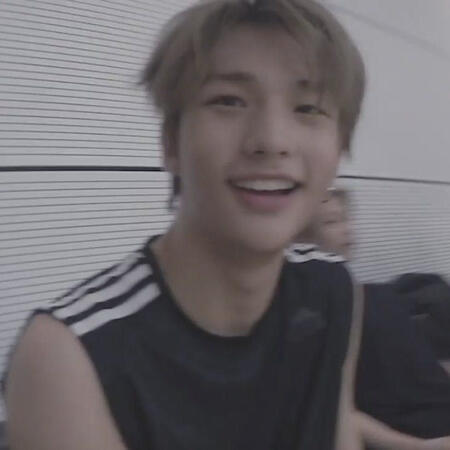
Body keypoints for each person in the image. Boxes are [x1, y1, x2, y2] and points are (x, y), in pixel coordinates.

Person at [3, 1, 368, 449]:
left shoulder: (332, 289)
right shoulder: (70, 355)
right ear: (170, 143)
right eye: (228, 101)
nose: (272, 141)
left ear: (340, 147)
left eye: (308, 107)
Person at [295, 187, 450, 448]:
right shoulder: (317, 308)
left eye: (346, 218)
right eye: (331, 222)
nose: (347, 229)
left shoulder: (373, 294)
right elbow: (339, 410)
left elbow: (422, 367)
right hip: (420, 429)